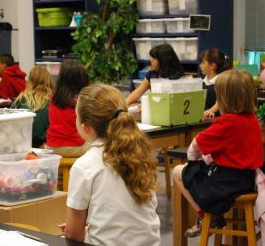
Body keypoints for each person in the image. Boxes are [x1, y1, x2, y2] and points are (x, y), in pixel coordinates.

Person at [59, 84, 160, 245]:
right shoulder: (141, 155)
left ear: (85, 127)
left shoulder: (85, 165)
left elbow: (73, 234)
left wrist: (83, 231)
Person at [173, 69, 264, 237]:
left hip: (224, 185)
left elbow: (195, 145)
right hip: (246, 181)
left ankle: (205, 215)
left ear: (223, 98)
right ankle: (212, 215)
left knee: (178, 172)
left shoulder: (226, 122)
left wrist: (193, 163)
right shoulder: (253, 119)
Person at [46, 59, 89, 157]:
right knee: (100, 144)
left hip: (52, 146)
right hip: (74, 147)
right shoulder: (80, 100)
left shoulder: (54, 97)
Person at [11, 66, 53, 148]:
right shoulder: (53, 101)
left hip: (20, 145)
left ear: (30, 81)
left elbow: (9, 122)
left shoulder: (20, 99)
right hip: (44, 145)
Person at [200, 48, 232, 117]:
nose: (200, 65)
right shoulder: (203, 82)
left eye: (203, 63)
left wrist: (210, 111)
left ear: (212, 66)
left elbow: (220, 101)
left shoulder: (221, 82)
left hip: (216, 119)